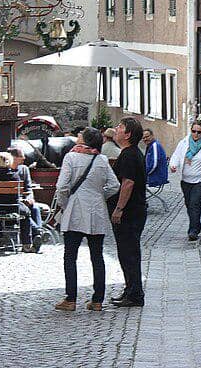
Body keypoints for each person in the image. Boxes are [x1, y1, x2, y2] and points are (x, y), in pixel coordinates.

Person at [53, 128, 120, 312]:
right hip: (96, 211)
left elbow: (62, 186)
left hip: (75, 210)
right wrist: (99, 195)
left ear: (86, 140)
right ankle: (97, 300)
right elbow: (114, 185)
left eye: (81, 135)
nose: (78, 137)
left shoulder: (71, 157)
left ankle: (71, 298)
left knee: (70, 256)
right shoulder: (101, 159)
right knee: (97, 256)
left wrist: (64, 204)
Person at [109, 117, 147, 307]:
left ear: (128, 134)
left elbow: (128, 183)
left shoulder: (129, 155)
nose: (116, 129)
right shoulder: (130, 153)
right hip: (133, 211)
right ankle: (130, 289)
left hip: (130, 212)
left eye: (120, 127)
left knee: (129, 253)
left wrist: (119, 208)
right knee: (127, 253)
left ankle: (134, 294)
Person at [0, 153, 32, 249]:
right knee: (26, 212)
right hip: (12, 208)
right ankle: (26, 243)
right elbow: (17, 195)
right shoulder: (15, 177)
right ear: (10, 162)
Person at [6, 146, 42, 252]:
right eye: (21, 156)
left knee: (34, 208)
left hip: (23, 201)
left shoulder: (24, 169)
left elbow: (28, 188)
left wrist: (30, 198)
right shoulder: (4, 170)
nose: (24, 158)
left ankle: (36, 237)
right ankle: (38, 232)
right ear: (13, 157)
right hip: (13, 203)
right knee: (25, 211)